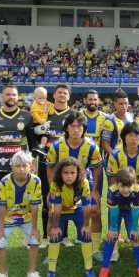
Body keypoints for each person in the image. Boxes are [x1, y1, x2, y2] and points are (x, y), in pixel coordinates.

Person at [0, 86, 36, 252]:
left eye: (14, 94)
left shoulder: (26, 116)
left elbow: (33, 144)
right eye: (8, 94)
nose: (11, 97)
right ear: (2, 96)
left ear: (17, 97)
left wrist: (33, 164)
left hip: (22, 169)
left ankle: (28, 238)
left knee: (26, 202)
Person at [44, 113, 103, 257]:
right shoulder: (56, 146)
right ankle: (51, 251)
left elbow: (97, 168)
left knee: (94, 210)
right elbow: (50, 167)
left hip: (84, 184)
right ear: (66, 128)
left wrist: (95, 190)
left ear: (84, 129)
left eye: (79, 126)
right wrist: (52, 188)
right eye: (72, 126)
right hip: (61, 184)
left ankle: (94, 249)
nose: (76, 129)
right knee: (52, 212)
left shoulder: (92, 147)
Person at [105, 122, 139, 261]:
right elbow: (111, 180)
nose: (133, 138)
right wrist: (115, 197)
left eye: (136, 135)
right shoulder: (115, 154)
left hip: (138, 190)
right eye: (130, 135)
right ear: (123, 137)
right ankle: (114, 250)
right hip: (119, 189)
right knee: (114, 215)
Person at [40, 84, 77, 247]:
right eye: (59, 92)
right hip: (46, 162)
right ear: (53, 95)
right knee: (47, 198)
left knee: (66, 198)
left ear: (69, 96)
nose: (62, 95)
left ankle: (64, 235)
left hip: (66, 166)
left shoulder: (73, 115)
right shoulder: (45, 112)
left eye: (65, 93)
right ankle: (45, 237)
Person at [0, 151, 41, 277]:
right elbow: (2, 206)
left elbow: (35, 206)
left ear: (31, 166)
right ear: (12, 167)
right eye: (18, 166)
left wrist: (35, 228)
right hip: (8, 217)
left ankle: (31, 272)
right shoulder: (4, 181)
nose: (21, 169)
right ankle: (2, 273)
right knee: (0, 241)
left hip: (27, 217)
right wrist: (1, 229)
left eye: (25, 166)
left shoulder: (36, 181)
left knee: (35, 240)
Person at [46, 157, 95, 277]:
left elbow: (87, 206)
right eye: (65, 173)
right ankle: (51, 270)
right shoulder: (55, 184)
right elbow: (56, 209)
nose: (69, 176)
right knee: (54, 235)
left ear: (78, 173)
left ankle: (89, 268)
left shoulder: (84, 182)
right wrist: (55, 227)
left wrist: (86, 225)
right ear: (60, 173)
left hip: (77, 209)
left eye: (72, 173)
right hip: (61, 211)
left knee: (85, 234)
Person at [98, 167, 139, 277]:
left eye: (129, 186)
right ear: (117, 184)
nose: (126, 190)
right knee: (111, 237)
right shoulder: (112, 190)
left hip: (130, 212)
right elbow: (114, 211)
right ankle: (105, 268)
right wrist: (112, 228)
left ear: (134, 183)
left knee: (135, 237)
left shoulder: (138, 189)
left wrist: (135, 228)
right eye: (123, 186)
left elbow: (136, 211)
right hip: (116, 211)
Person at [101, 89, 134, 155]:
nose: (124, 106)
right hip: (115, 160)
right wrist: (116, 158)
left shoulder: (131, 117)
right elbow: (105, 144)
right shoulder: (110, 121)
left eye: (126, 103)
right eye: (121, 104)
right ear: (115, 104)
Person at [30, 87, 56, 155]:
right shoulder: (34, 106)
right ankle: (41, 146)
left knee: (47, 133)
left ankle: (41, 146)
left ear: (46, 97)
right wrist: (42, 121)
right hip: (37, 124)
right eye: (40, 98)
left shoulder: (46, 103)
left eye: (44, 98)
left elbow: (51, 113)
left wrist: (51, 105)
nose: (42, 100)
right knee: (45, 132)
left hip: (44, 122)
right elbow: (36, 116)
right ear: (34, 98)